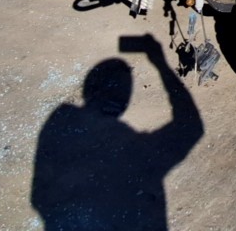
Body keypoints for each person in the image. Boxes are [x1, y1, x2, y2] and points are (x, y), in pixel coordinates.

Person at [31, 35, 203, 231]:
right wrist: (160, 63)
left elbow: (40, 196)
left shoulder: (61, 120)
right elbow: (192, 128)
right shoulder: (131, 146)